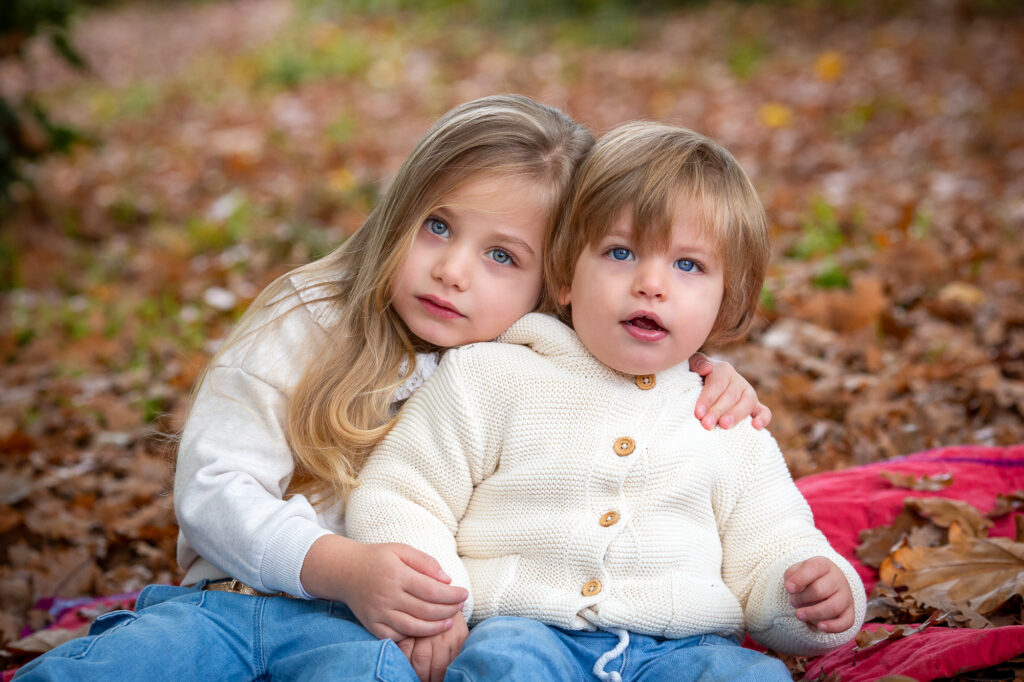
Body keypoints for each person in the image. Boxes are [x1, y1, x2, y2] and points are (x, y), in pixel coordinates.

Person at [15, 97, 770, 681]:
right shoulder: (310, 316)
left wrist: (702, 377)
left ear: (557, 283)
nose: (454, 270)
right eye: (438, 226)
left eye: (503, 256)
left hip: (361, 639)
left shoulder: (531, 370)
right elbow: (215, 488)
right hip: (226, 604)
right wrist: (340, 567)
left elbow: (633, 387)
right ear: (399, 211)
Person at [346, 121, 867, 682]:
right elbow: (404, 492)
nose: (651, 283)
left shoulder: (725, 419)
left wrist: (810, 596)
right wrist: (435, 603)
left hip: (681, 649)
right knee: (505, 667)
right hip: (525, 628)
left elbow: (771, 543)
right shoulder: (492, 377)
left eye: (687, 265)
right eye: (621, 253)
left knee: (753, 678)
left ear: (726, 300)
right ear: (566, 275)